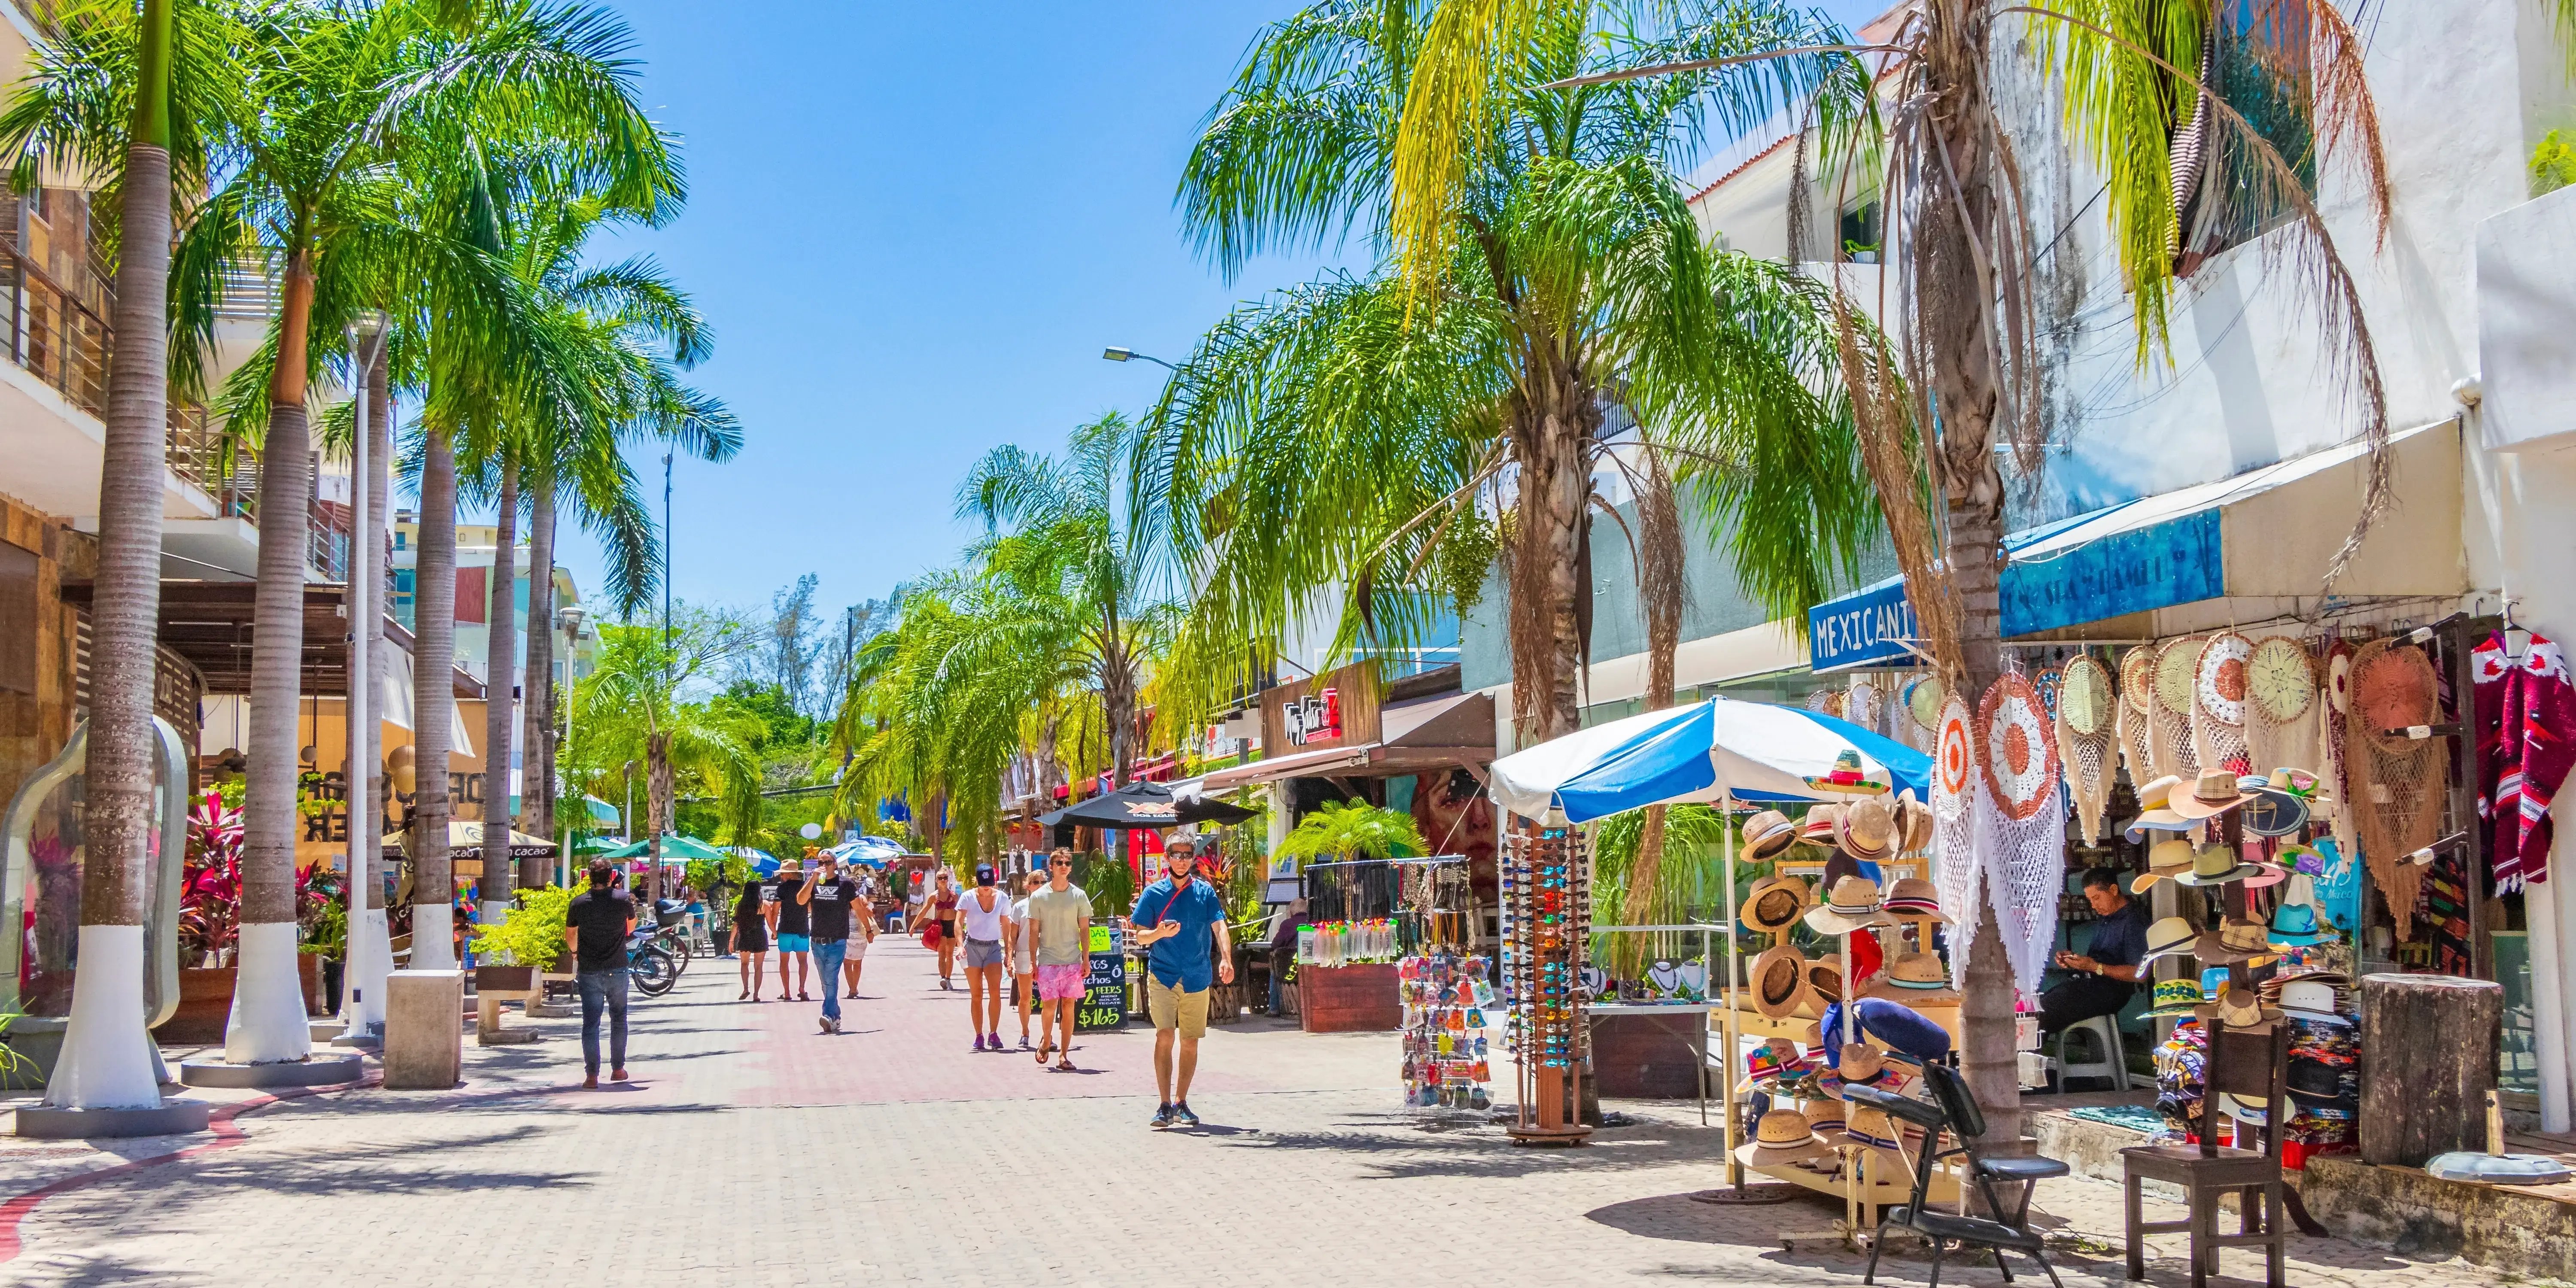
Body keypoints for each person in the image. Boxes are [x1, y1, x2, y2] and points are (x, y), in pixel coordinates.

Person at [1129, 836, 1233, 1128]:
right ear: (1168, 857)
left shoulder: (1204, 892)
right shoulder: (1153, 894)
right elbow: (1140, 936)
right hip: (1163, 974)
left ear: (1193, 858)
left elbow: (1219, 926)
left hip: (1197, 976)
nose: (1182, 860)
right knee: (1165, 1036)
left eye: (1188, 855)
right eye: (1177, 854)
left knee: (1190, 1042)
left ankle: (1181, 1102)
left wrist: (1226, 958)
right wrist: (1159, 933)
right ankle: (1164, 1105)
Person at [2042, 867, 2149, 1037]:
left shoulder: (2133, 922)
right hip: (2089, 984)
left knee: (2042, 1016)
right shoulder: (2107, 918)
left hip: (2110, 993)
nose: (2094, 905)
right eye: (2090, 900)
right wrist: (2074, 961)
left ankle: (2029, 1059)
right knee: (2036, 1006)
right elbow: (2096, 962)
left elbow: (2140, 974)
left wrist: (2094, 967)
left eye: (2097, 898)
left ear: (2114, 890)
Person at [562, 861, 636, 1089]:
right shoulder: (623, 899)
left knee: (591, 1024)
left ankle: (592, 1075)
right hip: (618, 967)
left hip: (589, 970)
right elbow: (631, 926)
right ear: (612, 876)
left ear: (589, 877)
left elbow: (570, 934)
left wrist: (575, 952)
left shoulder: (579, 903)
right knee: (619, 1019)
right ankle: (618, 1069)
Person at [1024, 848, 1093, 1071]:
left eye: (1067, 863)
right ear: (1051, 867)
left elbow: (1085, 929)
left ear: (1071, 868)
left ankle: (1064, 1055)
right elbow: (1034, 932)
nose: (1064, 866)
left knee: (1069, 1006)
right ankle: (1046, 1039)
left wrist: (1086, 959)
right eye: (1059, 862)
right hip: (1048, 959)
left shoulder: (1079, 895)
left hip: (1072, 959)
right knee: (1049, 1006)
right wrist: (1034, 963)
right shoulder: (1039, 897)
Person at [799, 853, 868, 1034]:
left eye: (828, 862)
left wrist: (868, 929)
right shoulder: (814, 883)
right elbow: (800, 900)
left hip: (837, 940)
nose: (824, 865)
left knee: (831, 978)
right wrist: (813, 878)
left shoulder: (845, 884)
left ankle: (828, 1015)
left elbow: (859, 908)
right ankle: (836, 1016)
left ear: (835, 864)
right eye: (821, 862)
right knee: (825, 982)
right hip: (817, 940)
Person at [1009, 871, 1045, 1048]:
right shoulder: (1020, 907)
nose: (1039, 885)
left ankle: (1048, 1036)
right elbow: (1012, 936)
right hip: (1024, 954)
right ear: (1028, 886)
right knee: (1025, 997)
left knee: (1049, 998)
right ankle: (1025, 1032)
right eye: (1036, 882)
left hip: (1047, 954)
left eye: (1042, 882)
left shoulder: (1051, 906)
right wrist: (1010, 957)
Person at [914, 867, 961, 990]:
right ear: (937, 880)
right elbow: (924, 911)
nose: (943, 880)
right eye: (940, 878)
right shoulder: (934, 897)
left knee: (950, 954)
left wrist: (962, 930)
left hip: (952, 925)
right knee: (942, 954)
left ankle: (949, 979)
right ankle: (943, 978)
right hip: (940, 926)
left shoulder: (954, 896)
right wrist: (913, 926)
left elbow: (961, 913)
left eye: (945, 878)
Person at [774, 860, 813, 1002]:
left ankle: (787, 992)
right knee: (803, 960)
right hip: (802, 928)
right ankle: (802, 988)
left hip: (785, 928)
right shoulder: (806, 886)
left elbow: (775, 910)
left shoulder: (782, 889)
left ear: (790, 874)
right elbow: (810, 908)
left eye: (783, 874)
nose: (782, 877)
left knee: (784, 961)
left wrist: (773, 929)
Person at [839, 869, 878, 998]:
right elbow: (869, 912)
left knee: (847, 963)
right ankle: (854, 988)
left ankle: (852, 989)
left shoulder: (843, 898)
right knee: (858, 963)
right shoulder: (861, 898)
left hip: (847, 933)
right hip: (861, 933)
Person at [732, 875, 771, 1000]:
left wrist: (731, 941)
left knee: (744, 964)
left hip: (745, 936)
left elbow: (736, 924)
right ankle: (756, 994)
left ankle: (745, 989)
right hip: (760, 935)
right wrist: (775, 933)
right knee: (759, 967)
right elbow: (770, 922)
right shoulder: (763, 905)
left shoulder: (741, 905)